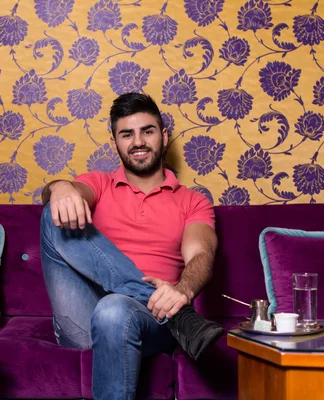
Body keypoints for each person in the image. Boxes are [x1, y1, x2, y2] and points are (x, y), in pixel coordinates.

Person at [40, 92, 223, 400]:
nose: (138, 142)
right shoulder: (98, 184)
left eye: (147, 131)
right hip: (84, 315)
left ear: (163, 137)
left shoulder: (193, 201)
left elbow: (202, 254)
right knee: (52, 213)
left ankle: (170, 312)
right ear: (115, 143)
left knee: (114, 310)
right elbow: (65, 199)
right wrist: (59, 187)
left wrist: (183, 291)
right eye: (127, 134)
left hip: (152, 320)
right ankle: (180, 319)